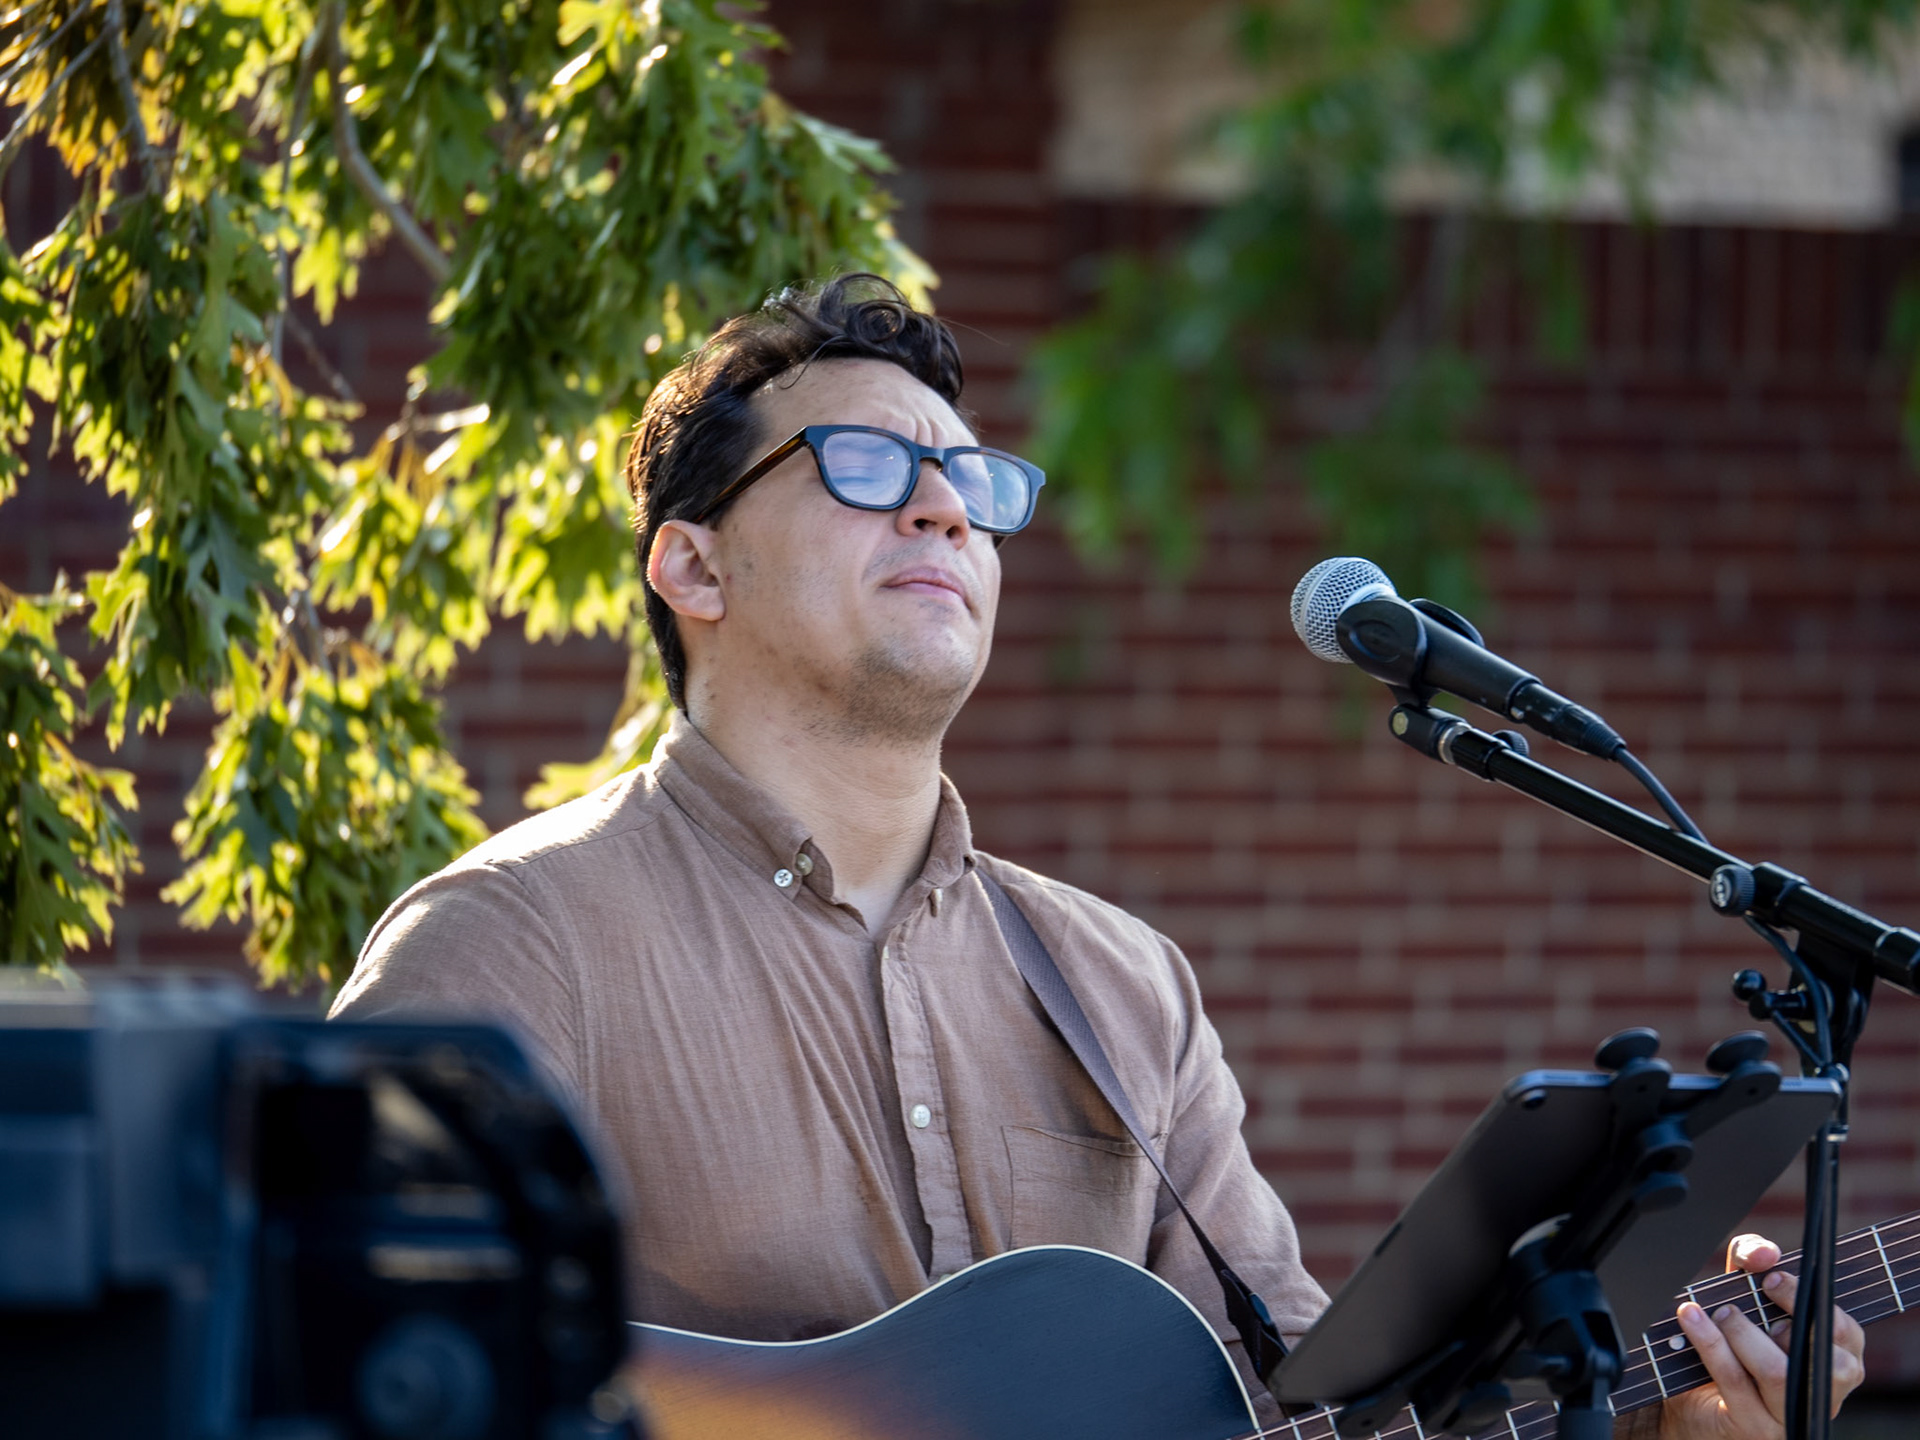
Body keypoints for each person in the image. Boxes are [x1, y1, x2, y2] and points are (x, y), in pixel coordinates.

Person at [330, 274, 1864, 1436]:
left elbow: (1316, 1414)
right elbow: (325, 1366)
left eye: (974, 482)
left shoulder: (1123, 987)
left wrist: (1664, 1410)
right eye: (867, 465)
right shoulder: (506, 949)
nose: (945, 502)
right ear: (693, 561)